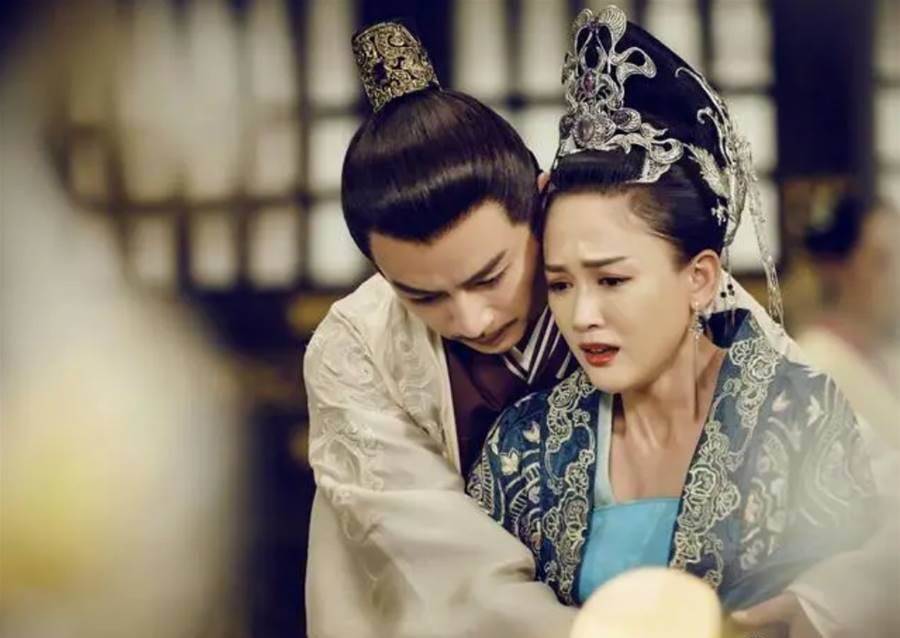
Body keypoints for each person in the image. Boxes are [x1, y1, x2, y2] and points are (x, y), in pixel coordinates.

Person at [303, 16, 866, 638]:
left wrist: (810, 604)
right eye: (423, 295)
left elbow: (848, 457)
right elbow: (444, 566)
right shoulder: (358, 348)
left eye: (491, 276)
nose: (472, 319)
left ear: (540, 201)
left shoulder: (638, 272)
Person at [467, 6, 890, 636]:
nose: (582, 316)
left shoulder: (797, 419)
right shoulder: (524, 446)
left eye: (612, 280)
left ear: (700, 278)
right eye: (559, 284)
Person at [797, 194, 900, 449]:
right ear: (837, 268)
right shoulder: (815, 369)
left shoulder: (887, 354)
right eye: (881, 262)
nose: (896, 277)